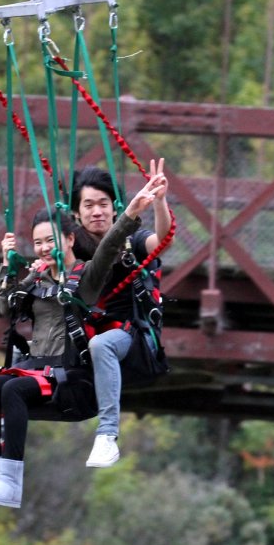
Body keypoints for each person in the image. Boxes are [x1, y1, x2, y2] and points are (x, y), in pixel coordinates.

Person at [0, 173, 169, 509]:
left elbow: (110, 247)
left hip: (70, 379)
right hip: (41, 369)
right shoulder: (39, 276)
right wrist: (7, 264)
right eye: (39, 243)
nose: (44, 249)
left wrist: (133, 211)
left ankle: (11, 482)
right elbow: (8, 304)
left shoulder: (86, 276)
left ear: (70, 240)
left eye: (51, 241)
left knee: (12, 390)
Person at [71, 162, 172, 467]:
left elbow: (163, 242)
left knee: (102, 344)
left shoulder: (132, 241)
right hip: (82, 337)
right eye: (88, 205)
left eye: (104, 204)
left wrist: (160, 202)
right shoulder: (72, 246)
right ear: (76, 214)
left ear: (116, 210)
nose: (97, 211)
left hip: (132, 336)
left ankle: (106, 436)